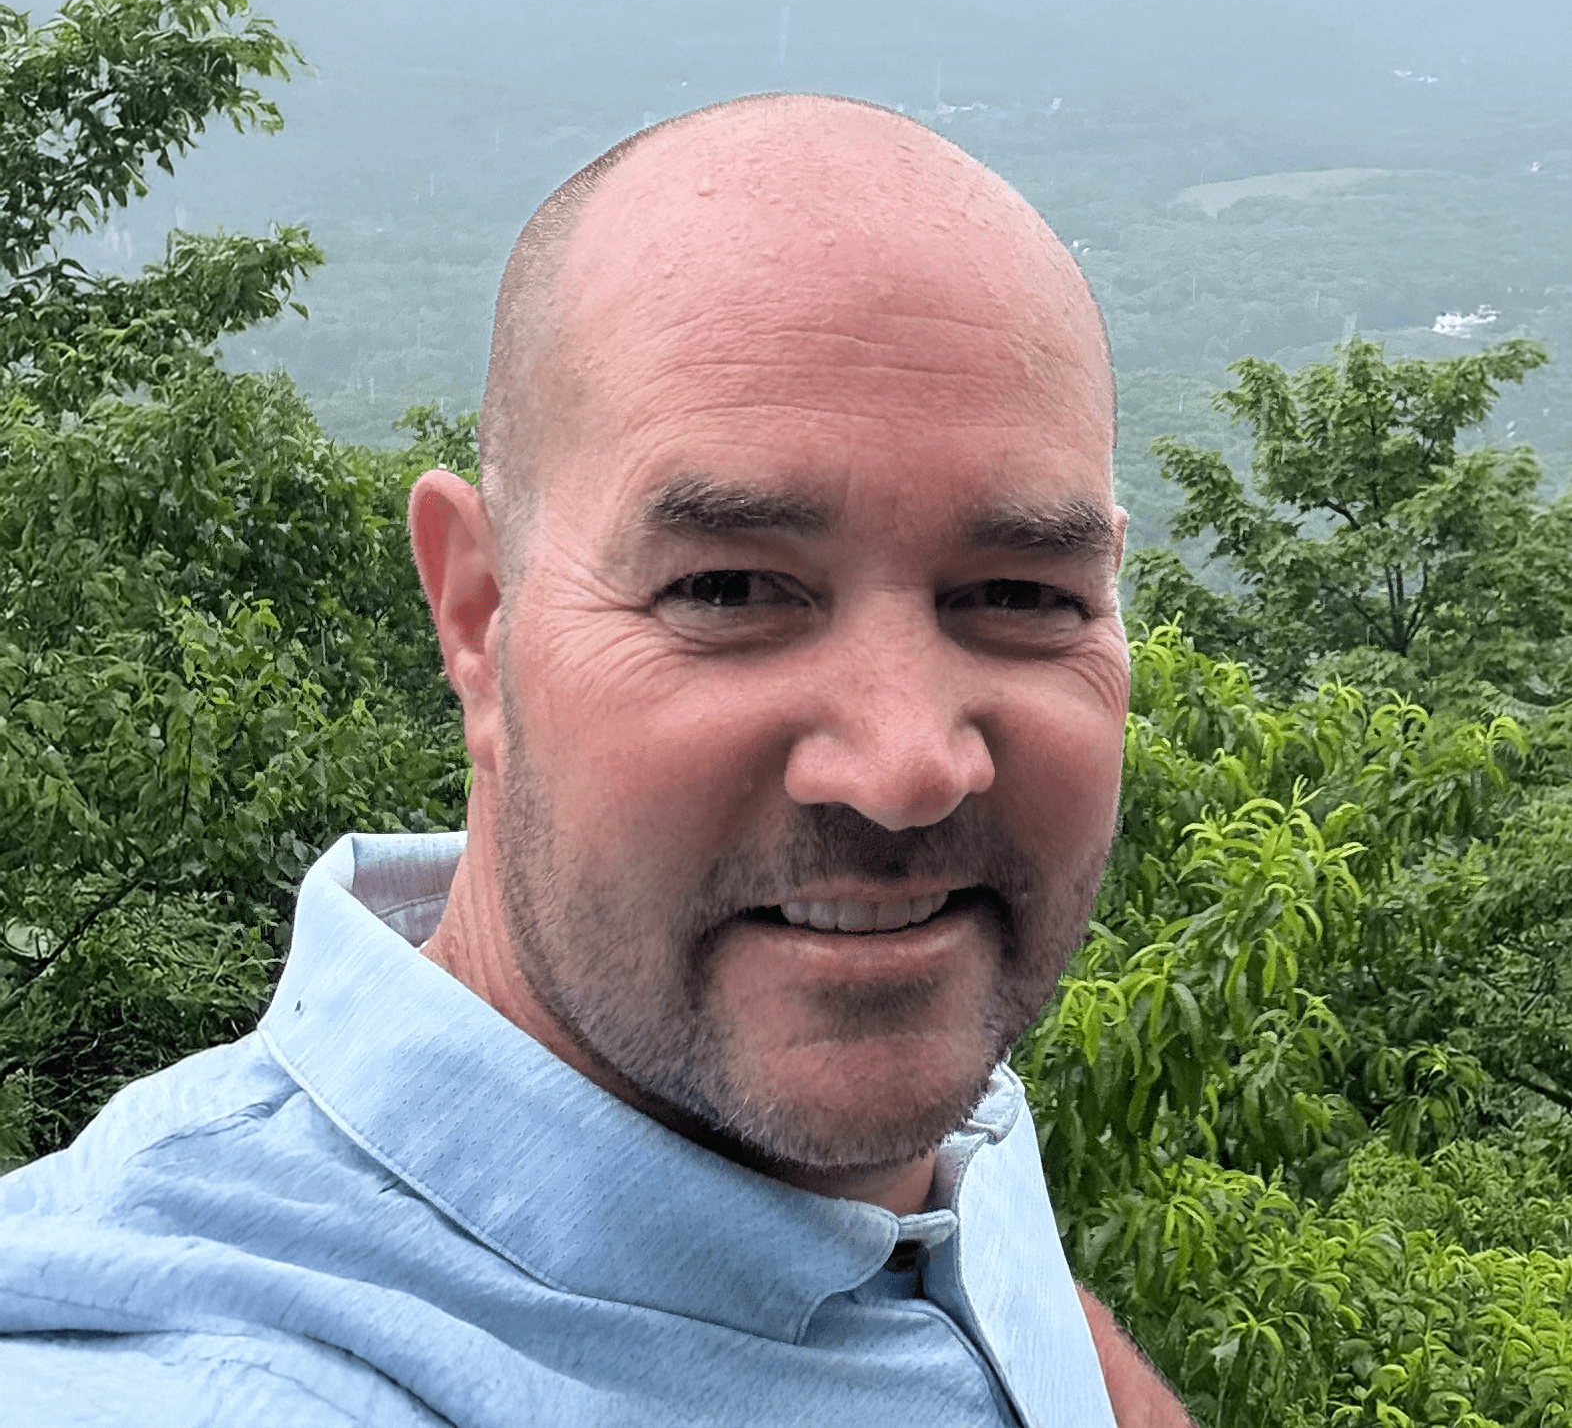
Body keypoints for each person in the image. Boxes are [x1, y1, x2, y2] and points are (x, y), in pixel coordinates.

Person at [0, 94, 1193, 1427]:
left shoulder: (840, 1014)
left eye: (1022, 593)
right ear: (478, 615)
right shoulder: (178, 1374)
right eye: (733, 589)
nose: (908, 768)